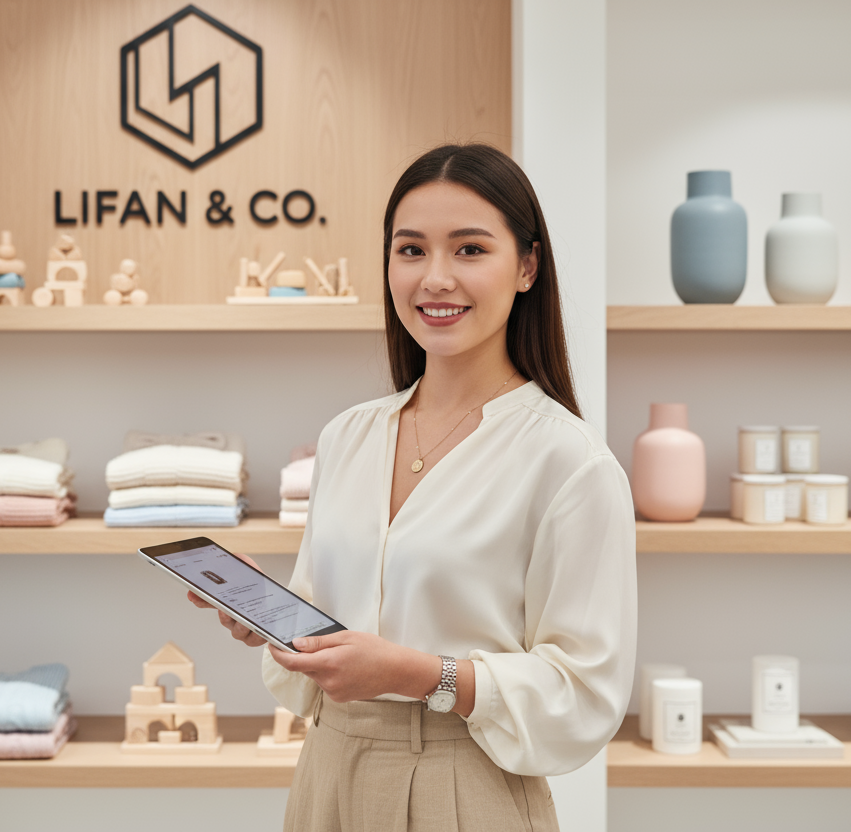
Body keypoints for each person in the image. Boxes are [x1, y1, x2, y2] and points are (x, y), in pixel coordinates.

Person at [189, 143, 637, 831]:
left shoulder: (570, 462)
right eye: (411, 250)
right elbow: (335, 619)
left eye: (469, 250)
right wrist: (269, 616)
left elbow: (584, 690)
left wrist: (419, 674)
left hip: (466, 785)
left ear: (527, 267)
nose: (435, 278)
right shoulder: (348, 436)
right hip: (328, 772)